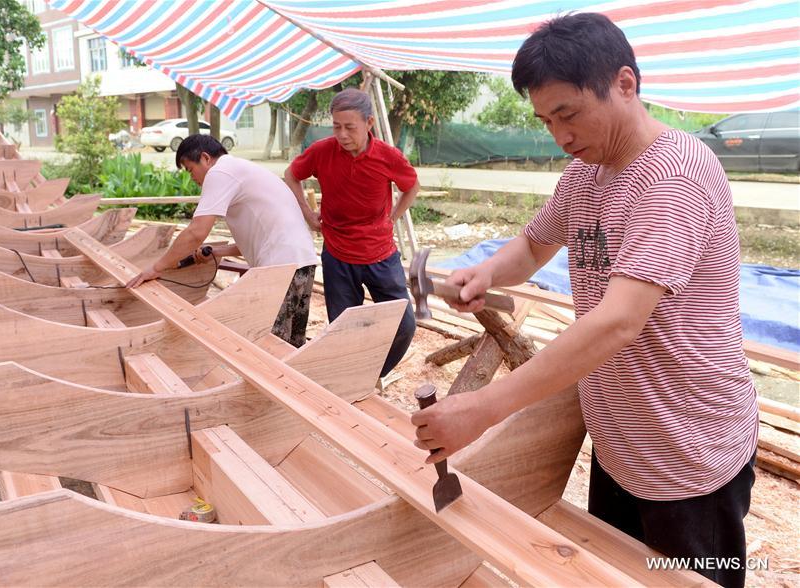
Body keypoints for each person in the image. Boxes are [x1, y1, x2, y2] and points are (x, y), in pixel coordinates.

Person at [410, 13, 757, 588]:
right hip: (620, 436)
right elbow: (534, 242)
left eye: (568, 114)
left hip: (689, 452)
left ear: (625, 83)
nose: (561, 137)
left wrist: (483, 408)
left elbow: (617, 323)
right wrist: (486, 272)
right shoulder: (586, 172)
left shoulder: (675, 175)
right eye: (546, 121)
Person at [127, 134, 318, 348]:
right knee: (291, 344)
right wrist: (217, 252)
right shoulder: (239, 169)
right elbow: (257, 239)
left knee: (268, 344)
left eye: (190, 170)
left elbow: (196, 232)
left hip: (280, 267)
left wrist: (157, 267)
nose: (193, 178)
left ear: (206, 158)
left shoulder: (219, 173)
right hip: (302, 261)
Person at [284, 88, 420, 377]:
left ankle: (371, 374)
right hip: (338, 255)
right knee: (343, 329)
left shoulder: (388, 156)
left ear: (369, 123)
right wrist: (308, 216)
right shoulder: (322, 151)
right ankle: (350, 378)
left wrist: (392, 217)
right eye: (336, 127)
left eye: (349, 127)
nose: (342, 135)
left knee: (404, 322)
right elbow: (291, 175)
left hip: (381, 254)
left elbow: (411, 186)